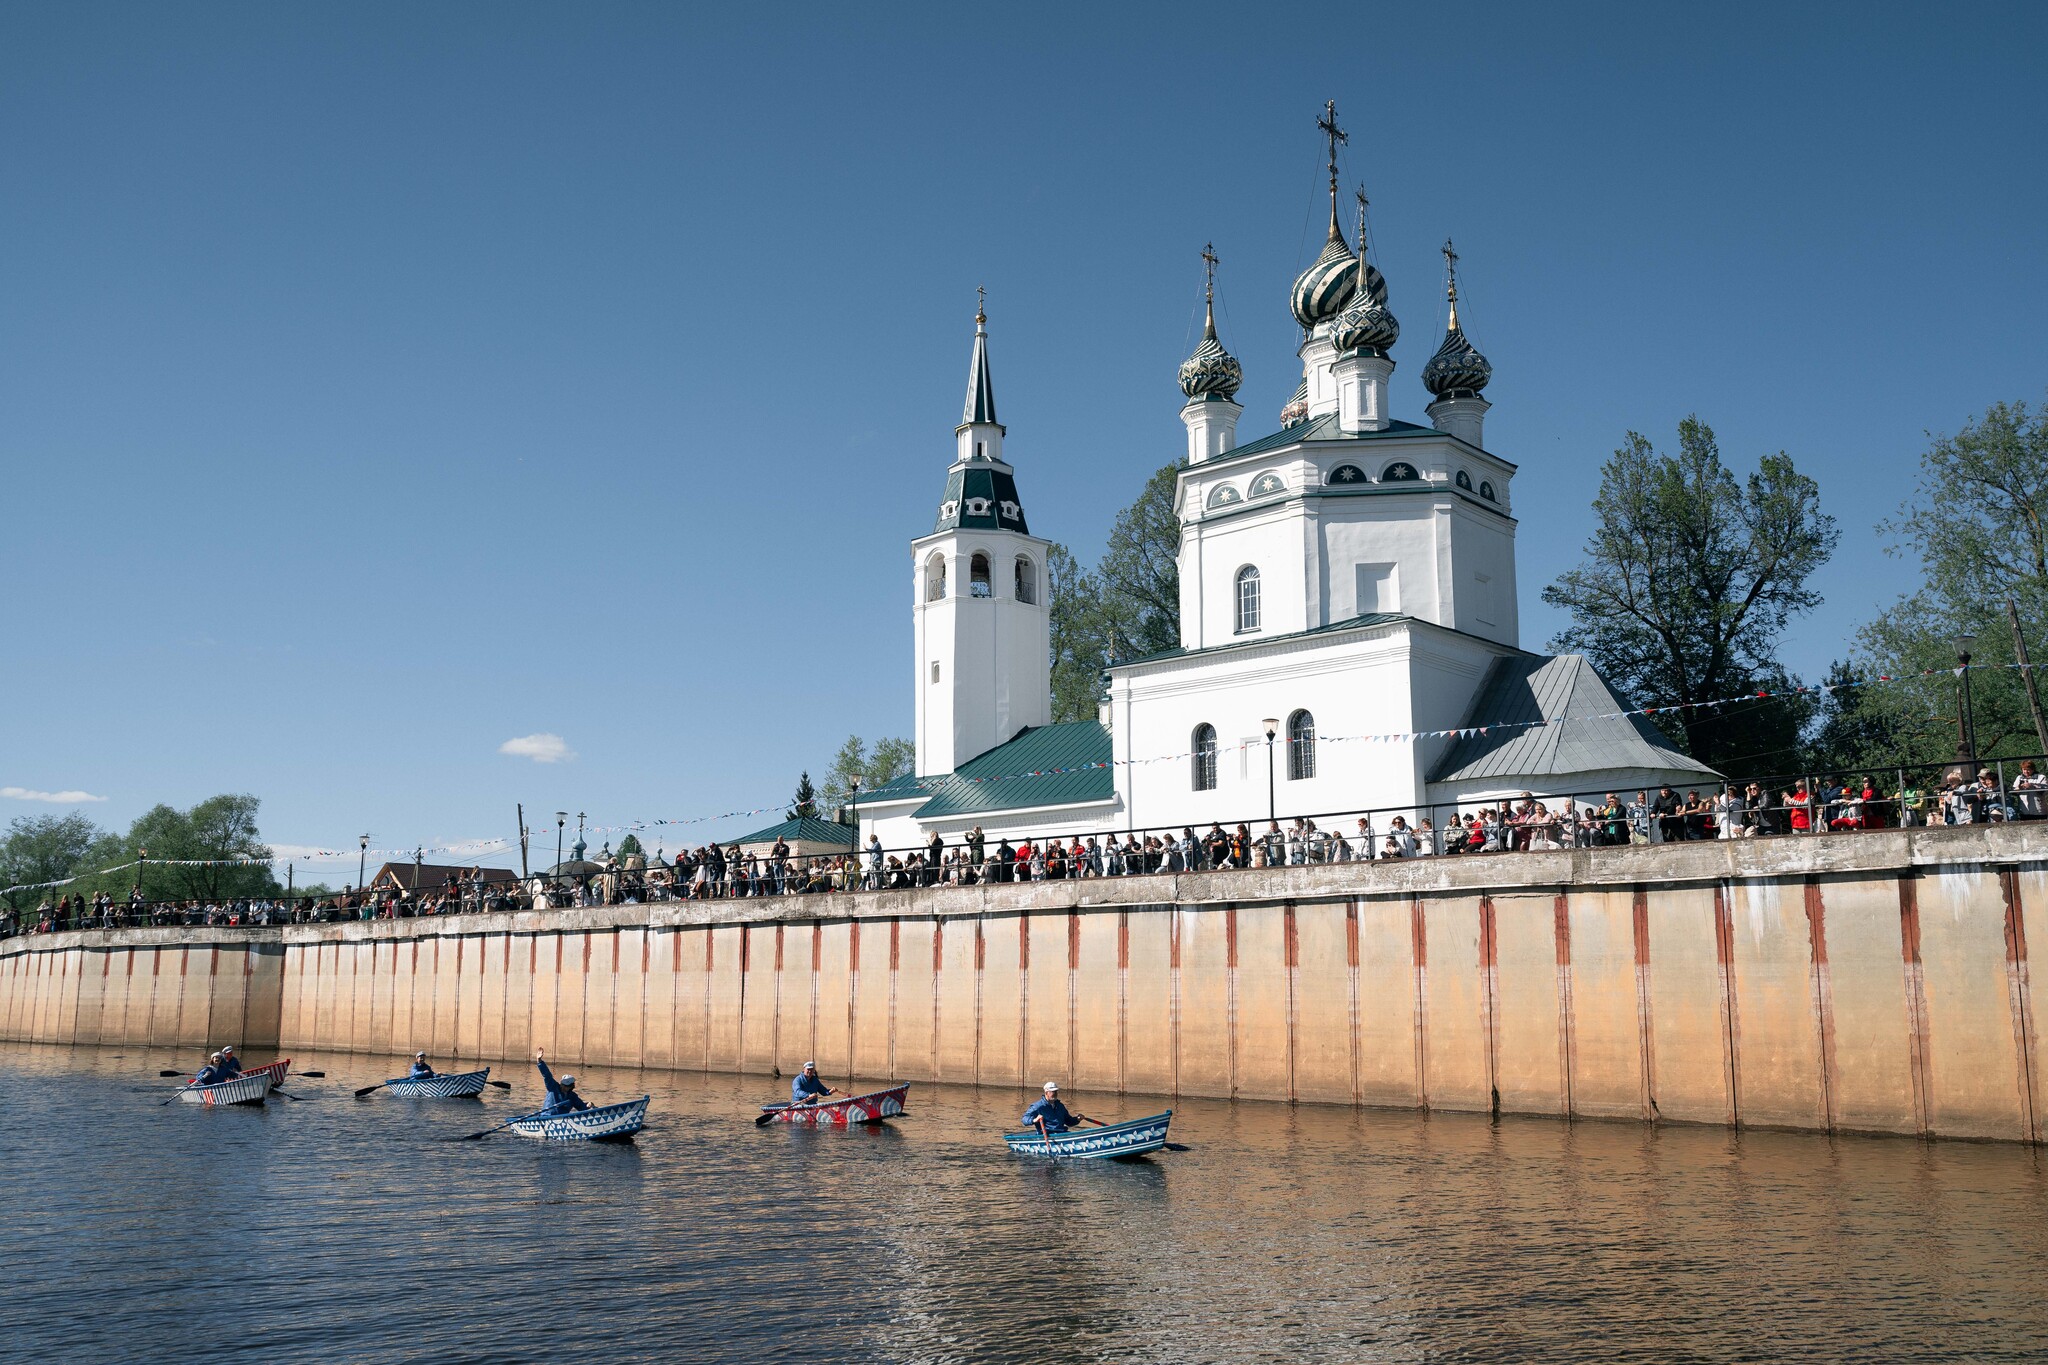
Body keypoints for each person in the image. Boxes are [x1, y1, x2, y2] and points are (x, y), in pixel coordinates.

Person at [1020, 1081, 1098, 1137]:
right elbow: (1024, 1119)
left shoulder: (1060, 1106)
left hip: (1062, 1133)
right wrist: (1034, 1120)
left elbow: (1068, 1121)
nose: (1055, 1094)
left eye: (1056, 1092)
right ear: (1046, 1092)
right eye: (1053, 1092)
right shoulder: (1038, 1106)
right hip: (1047, 1135)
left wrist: (1077, 1119)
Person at [533, 1048, 589, 1115]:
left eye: (565, 1086)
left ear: (571, 1087)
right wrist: (539, 1061)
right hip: (546, 1117)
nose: (562, 1086)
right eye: (562, 1084)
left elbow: (582, 1107)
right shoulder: (553, 1087)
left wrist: (589, 1105)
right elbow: (547, 1075)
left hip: (562, 1119)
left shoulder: (572, 1096)